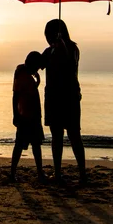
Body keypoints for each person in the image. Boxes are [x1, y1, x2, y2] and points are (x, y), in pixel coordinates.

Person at [42, 19, 86, 185]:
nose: (46, 38)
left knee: (74, 135)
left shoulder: (72, 49)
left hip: (69, 97)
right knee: (56, 136)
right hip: (53, 97)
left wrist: (62, 47)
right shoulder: (49, 51)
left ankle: (83, 174)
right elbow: (39, 62)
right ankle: (58, 172)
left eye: (48, 34)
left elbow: (70, 63)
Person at [10, 51, 47, 184]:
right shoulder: (21, 75)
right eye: (37, 67)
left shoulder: (23, 75)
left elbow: (27, 91)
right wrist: (15, 115)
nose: (37, 70)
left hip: (30, 116)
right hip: (26, 116)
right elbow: (15, 96)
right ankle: (15, 172)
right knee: (25, 145)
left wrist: (37, 81)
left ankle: (36, 172)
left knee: (31, 145)